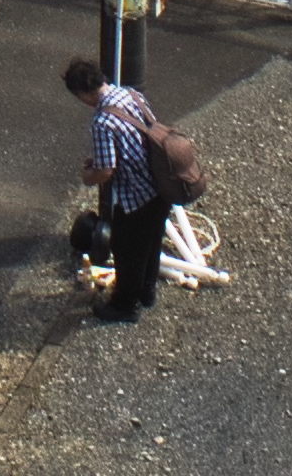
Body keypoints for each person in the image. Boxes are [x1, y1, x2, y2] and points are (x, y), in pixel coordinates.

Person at [65, 53, 197, 319]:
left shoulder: (102, 121)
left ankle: (124, 306)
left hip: (136, 196)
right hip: (161, 185)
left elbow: (105, 171)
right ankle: (146, 293)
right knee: (151, 245)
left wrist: (87, 176)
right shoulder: (131, 95)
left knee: (128, 252)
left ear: (83, 93)